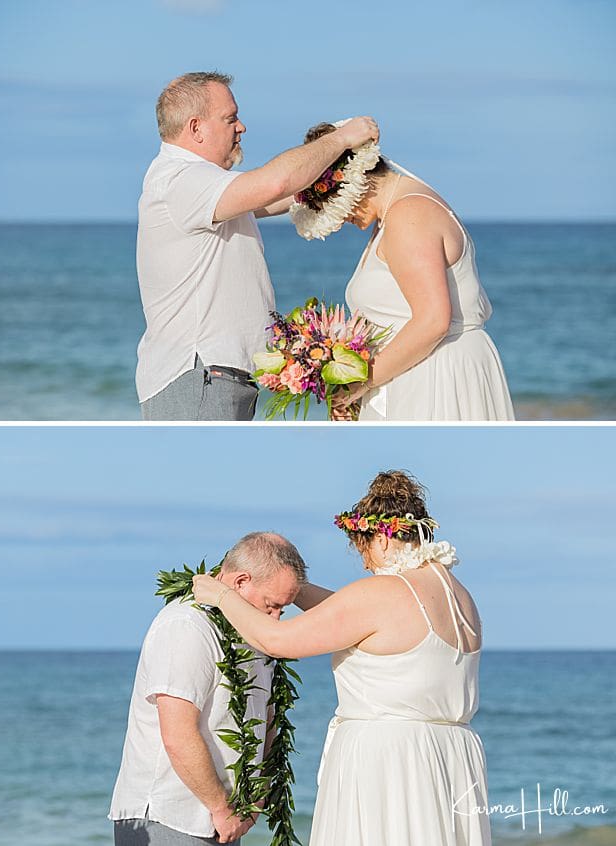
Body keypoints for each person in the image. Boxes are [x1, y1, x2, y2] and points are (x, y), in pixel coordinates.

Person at [192, 471, 492, 846]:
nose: (366, 564)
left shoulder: (385, 592)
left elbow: (276, 640)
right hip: (448, 758)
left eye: (362, 550)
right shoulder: (458, 595)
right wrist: (290, 589)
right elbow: (350, 615)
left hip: (392, 762)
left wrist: (220, 596)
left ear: (381, 538)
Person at [135, 71, 379, 421]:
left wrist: (334, 180)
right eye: (230, 118)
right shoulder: (180, 180)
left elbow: (283, 195)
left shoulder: (198, 183)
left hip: (212, 376)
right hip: (200, 374)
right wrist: (341, 139)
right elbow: (274, 184)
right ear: (196, 128)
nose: (241, 127)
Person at [293, 122, 514, 421]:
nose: (338, 219)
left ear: (354, 179)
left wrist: (361, 384)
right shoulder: (393, 214)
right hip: (415, 369)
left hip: (435, 374)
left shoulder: (409, 215)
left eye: (331, 204)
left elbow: (433, 321)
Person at [109, 532, 306, 845]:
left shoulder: (252, 631)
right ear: (240, 582)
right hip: (171, 816)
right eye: (272, 606)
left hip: (223, 818)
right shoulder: (188, 626)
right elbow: (178, 732)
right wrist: (220, 806)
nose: (277, 617)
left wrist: (254, 796)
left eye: (283, 609)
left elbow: (264, 713)